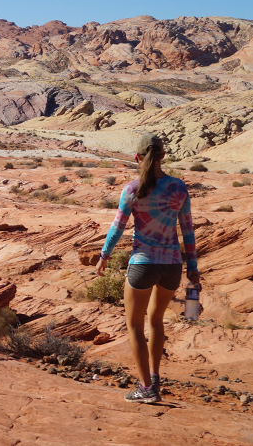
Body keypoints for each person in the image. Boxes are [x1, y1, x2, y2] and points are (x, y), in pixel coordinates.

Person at [96, 133, 200, 404]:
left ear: (137, 157)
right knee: (156, 321)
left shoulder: (132, 189)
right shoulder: (178, 188)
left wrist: (104, 255)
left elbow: (117, 227)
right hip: (172, 267)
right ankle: (154, 379)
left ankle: (145, 389)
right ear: (163, 156)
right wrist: (193, 266)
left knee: (134, 326)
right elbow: (187, 230)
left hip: (142, 264)